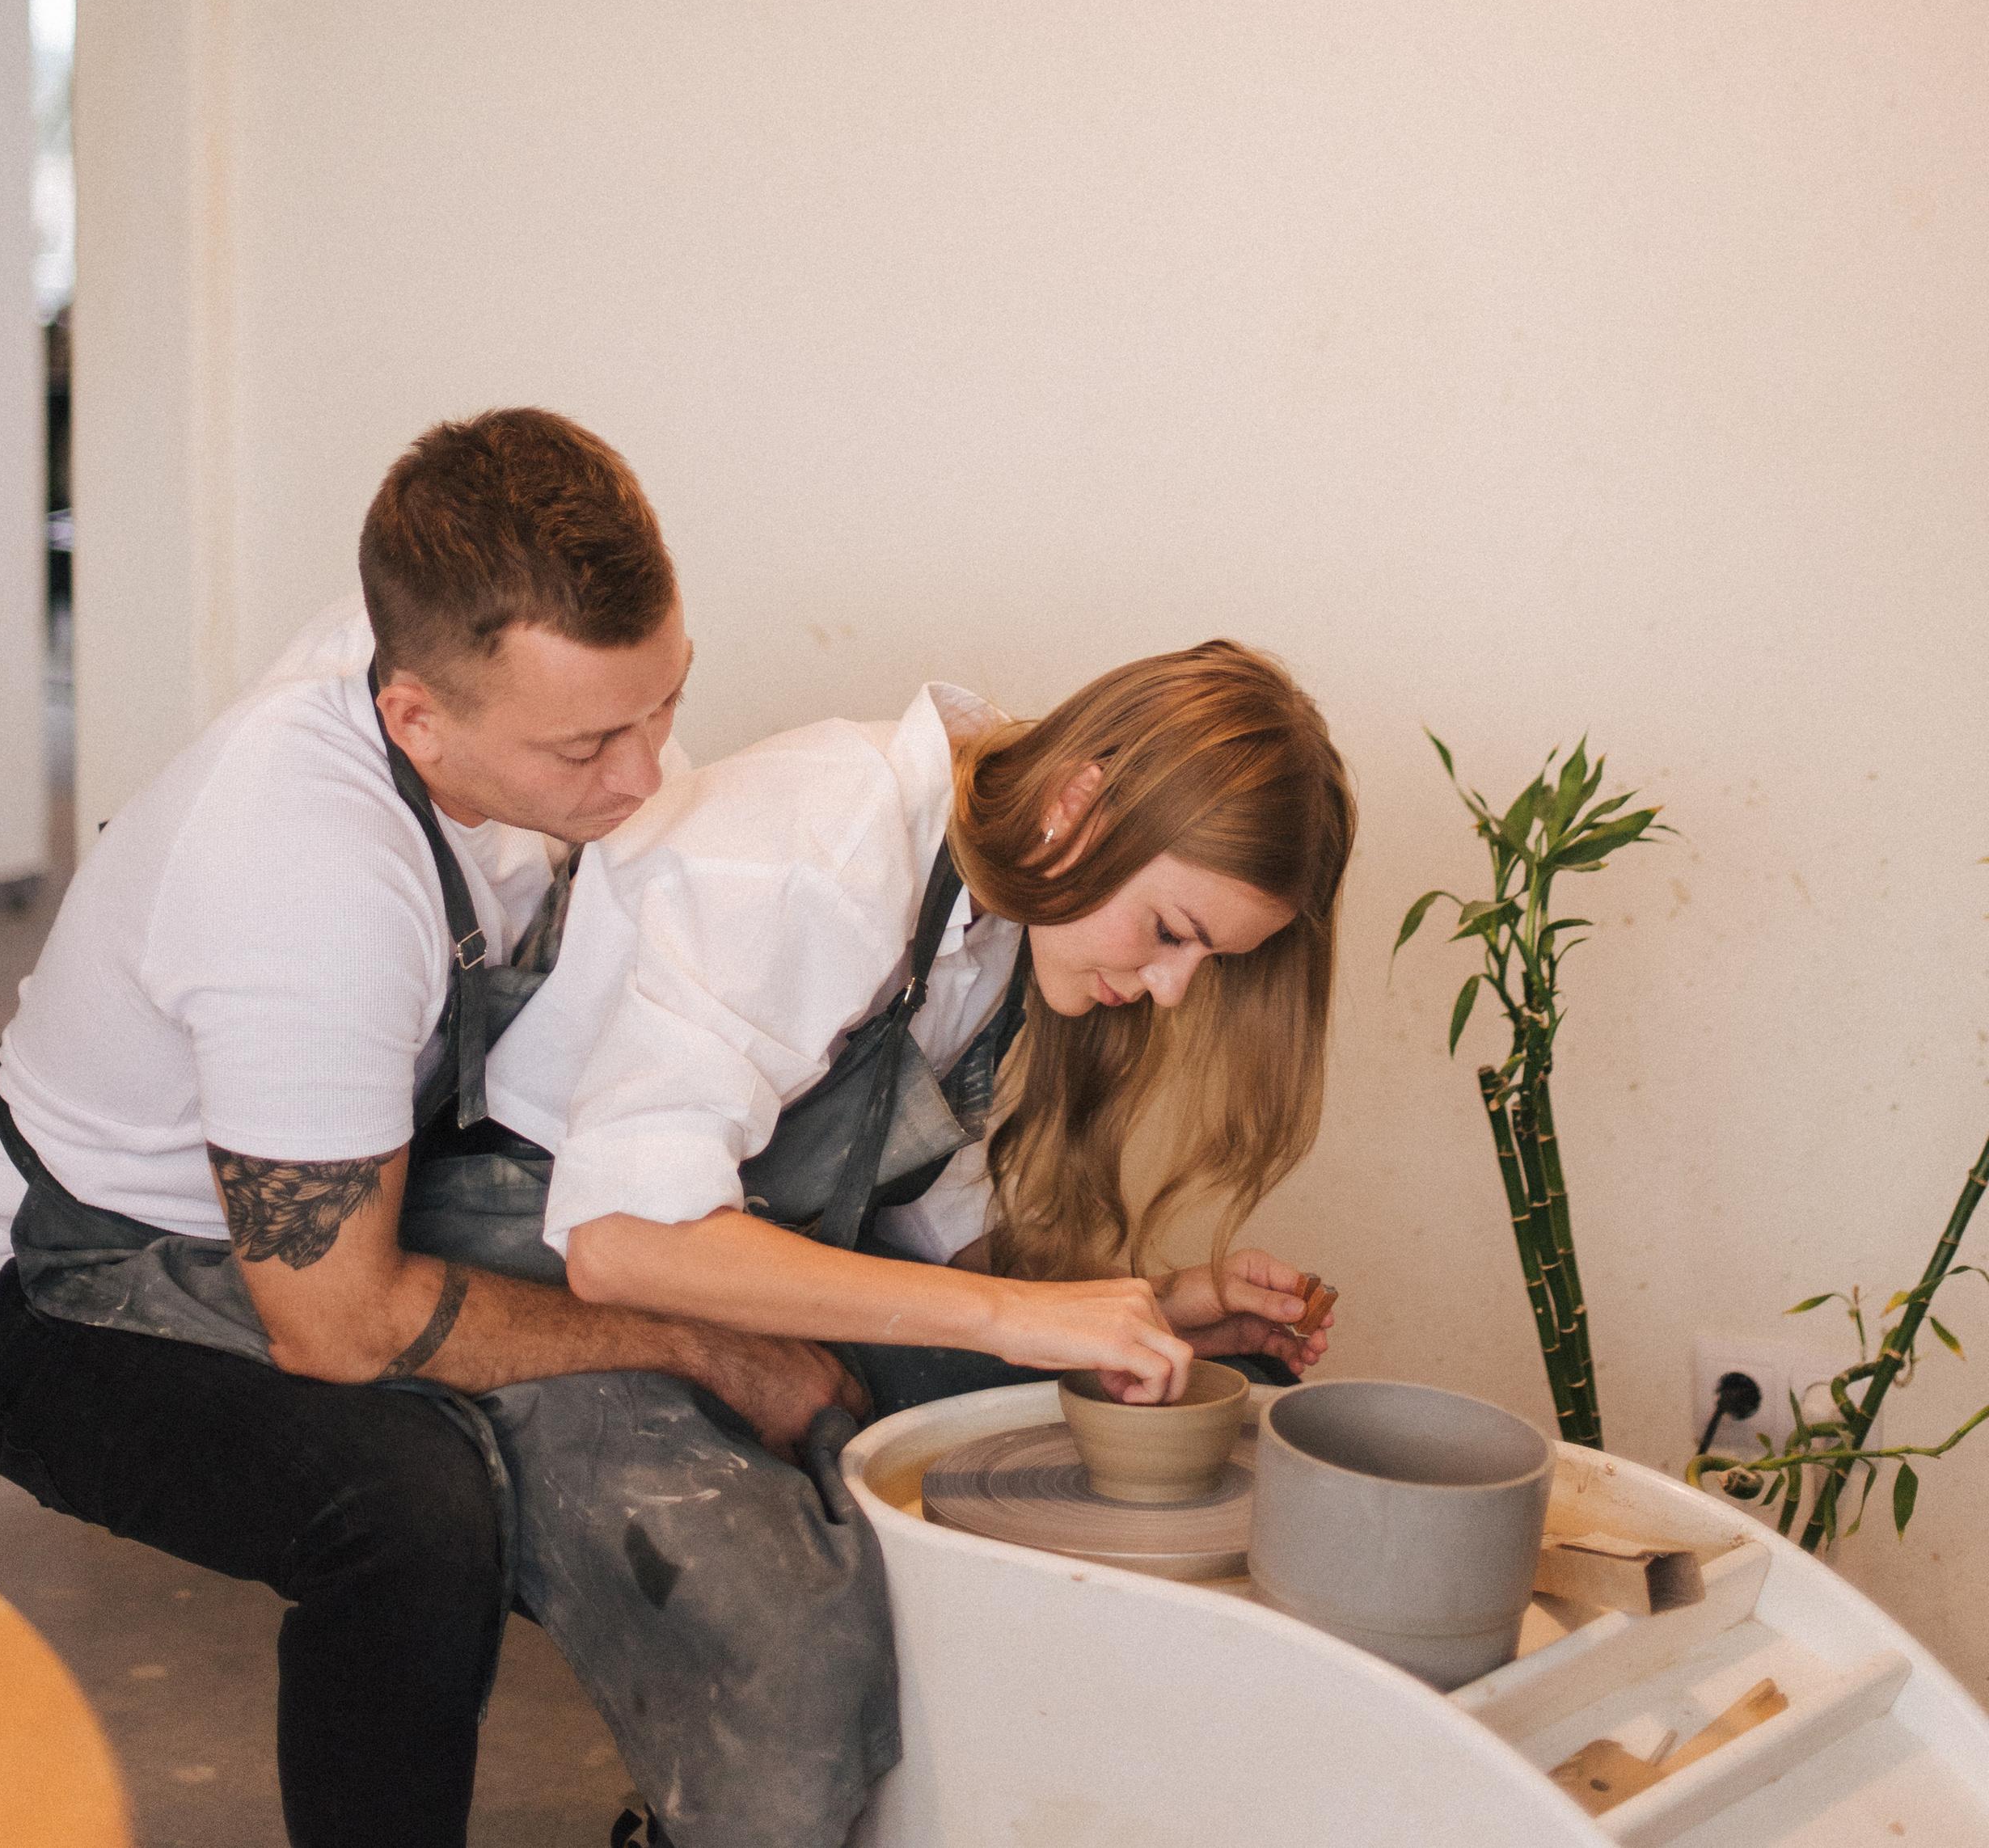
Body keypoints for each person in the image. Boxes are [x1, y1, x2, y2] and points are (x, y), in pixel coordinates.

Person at [0, 410, 866, 1848]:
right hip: (55, 1278)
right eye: (589, 744)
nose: (644, 777)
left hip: (305, 1202)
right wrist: (698, 1337)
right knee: (414, 1513)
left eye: (663, 705)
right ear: (417, 715)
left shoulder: (449, 645)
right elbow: (340, 1327)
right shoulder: (310, 879)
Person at [450, 638, 1356, 1848]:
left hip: (736, 1256)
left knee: (1216, 1421)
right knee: (798, 1638)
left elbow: (929, 1209)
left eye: (1209, 959)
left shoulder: (983, 899)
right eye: (1170, 930)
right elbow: (621, 1240)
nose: (1177, 988)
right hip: (533, 1258)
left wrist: (1155, 1301)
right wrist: (1015, 1321)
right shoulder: (822, 857)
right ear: (1083, 803)